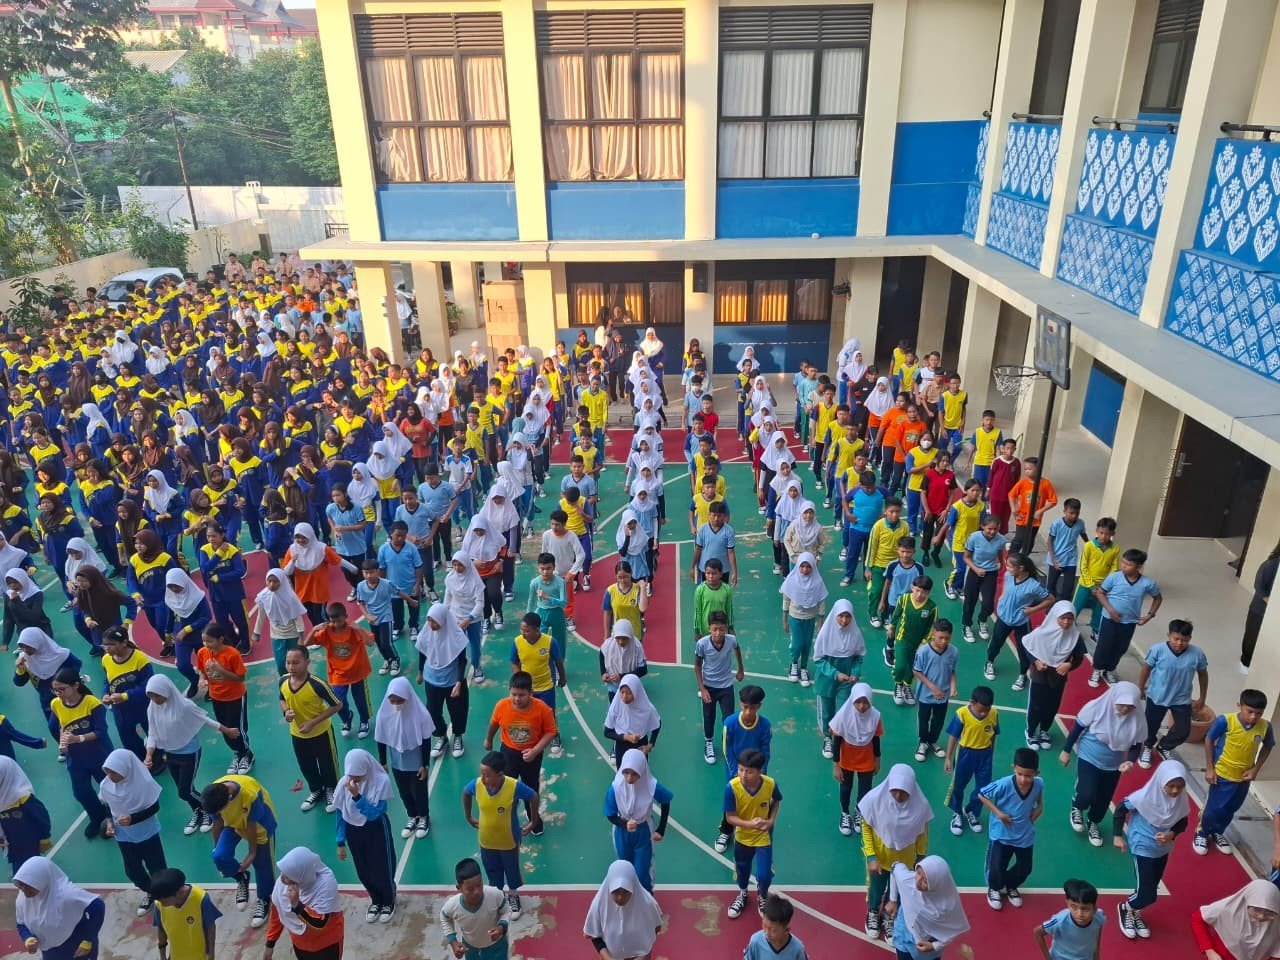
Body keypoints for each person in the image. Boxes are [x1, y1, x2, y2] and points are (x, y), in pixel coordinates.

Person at [143, 674, 235, 835]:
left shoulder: (185, 706)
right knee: (186, 790)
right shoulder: (153, 707)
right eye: (150, 696)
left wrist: (226, 730)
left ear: (166, 691)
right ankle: (199, 811)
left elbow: (204, 720)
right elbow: (152, 733)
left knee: (184, 791)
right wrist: (149, 755)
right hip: (170, 754)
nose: (154, 699)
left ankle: (212, 810)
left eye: (157, 695)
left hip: (189, 753)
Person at [1059, 682, 1146, 848]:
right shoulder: (1096, 707)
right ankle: (1077, 807)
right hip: (1089, 756)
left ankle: (1094, 822)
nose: (1125, 709)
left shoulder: (1138, 719)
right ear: (1114, 698)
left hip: (1114, 765)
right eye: (1122, 704)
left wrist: (1129, 761)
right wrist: (1066, 750)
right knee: (1087, 793)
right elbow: (1078, 727)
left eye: (1130, 706)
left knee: (1103, 799)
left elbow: (1136, 745)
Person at [1113, 760, 1190, 940]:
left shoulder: (1180, 800)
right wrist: (1117, 835)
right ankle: (1126, 908)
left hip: (1162, 849)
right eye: (1171, 786)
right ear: (1161, 781)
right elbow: (1121, 809)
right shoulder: (1143, 797)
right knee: (1148, 894)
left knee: (1150, 885)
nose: (1175, 791)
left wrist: (1171, 834)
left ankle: (1135, 910)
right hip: (1142, 846)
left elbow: (1182, 822)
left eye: (1179, 787)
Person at [1196, 688, 1274, 856]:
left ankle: (1217, 831)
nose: (1253, 717)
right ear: (1239, 706)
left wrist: (1255, 769)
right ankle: (1202, 833)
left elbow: (1268, 747)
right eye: (1249, 711)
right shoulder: (1226, 721)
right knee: (1214, 808)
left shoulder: (1265, 727)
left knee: (1231, 808)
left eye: (1258, 713)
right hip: (1222, 773)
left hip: (1243, 778)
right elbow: (1209, 739)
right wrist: (1210, 768)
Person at [858, 764, 932, 938]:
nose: (898, 796)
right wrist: (871, 856)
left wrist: (921, 857)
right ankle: (873, 911)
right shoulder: (874, 800)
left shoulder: (920, 806)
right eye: (895, 790)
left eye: (904, 792)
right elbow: (866, 827)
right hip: (880, 859)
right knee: (876, 889)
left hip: (905, 862)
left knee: (899, 892)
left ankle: (889, 915)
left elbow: (922, 833)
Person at [463, 751, 537, 920]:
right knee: (492, 872)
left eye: (487, 775)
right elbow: (466, 793)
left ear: (500, 774)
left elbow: (533, 796)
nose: (483, 779)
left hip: (508, 840)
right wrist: (468, 817)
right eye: (481, 773)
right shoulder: (477, 785)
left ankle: (513, 896)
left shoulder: (513, 786)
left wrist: (534, 821)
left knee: (511, 871)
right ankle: (497, 898)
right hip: (486, 840)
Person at [201, 774, 278, 927]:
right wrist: (218, 848)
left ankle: (264, 899)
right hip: (232, 824)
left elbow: (251, 825)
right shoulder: (213, 795)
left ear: (229, 799)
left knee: (262, 865)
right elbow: (218, 823)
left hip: (260, 826)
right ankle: (241, 877)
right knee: (219, 856)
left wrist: (251, 853)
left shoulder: (250, 794)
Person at [482, 672, 554, 837]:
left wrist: (535, 750)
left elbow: (550, 731)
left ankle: (533, 819)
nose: (517, 699)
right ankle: (506, 819)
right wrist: (488, 739)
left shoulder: (542, 709)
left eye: (521, 695)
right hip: (508, 752)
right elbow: (494, 723)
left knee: (531, 788)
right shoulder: (502, 706)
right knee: (505, 787)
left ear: (531, 693)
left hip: (531, 755)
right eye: (513, 694)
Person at [99, 748, 168, 916]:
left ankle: (166, 895)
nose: (110, 776)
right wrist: (110, 822)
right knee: (133, 871)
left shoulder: (144, 783)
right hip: (123, 835)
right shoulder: (106, 785)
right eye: (108, 772)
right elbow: (107, 805)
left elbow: (154, 807)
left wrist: (133, 819)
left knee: (157, 868)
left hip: (147, 833)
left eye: (114, 772)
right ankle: (152, 892)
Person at [335, 749, 397, 924]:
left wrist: (357, 797)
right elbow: (340, 813)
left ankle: (388, 901)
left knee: (382, 867)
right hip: (354, 831)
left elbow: (374, 814)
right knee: (363, 869)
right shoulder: (344, 783)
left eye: (358, 776)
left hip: (376, 829)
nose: (353, 780)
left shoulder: (381, 782)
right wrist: (340, 841)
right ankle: (375, 900)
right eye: (351, 775)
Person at [978, 747, 1043, 912]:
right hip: (1002, 834)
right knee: (996, 867)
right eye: (1020, 774)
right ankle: (994, 888)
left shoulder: (1039, 783)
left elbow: (1038, 797)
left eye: (1028, 775)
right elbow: (982, 794)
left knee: (1025, 868)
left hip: (1024, 834)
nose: (1023, 779)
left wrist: (1039, 807)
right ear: (1013, 768)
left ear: (1036, 773)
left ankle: (1010, 885)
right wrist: (999, 814)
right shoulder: (1004, 784)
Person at [50, 669, 113, 839]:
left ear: (76, 685)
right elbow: (58, 726)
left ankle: (112, 816)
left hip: (99, 754)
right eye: (55, 690)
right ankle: (97, 816)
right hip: (76, 758)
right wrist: (63, 743)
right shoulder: (56, 704)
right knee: (81, 792)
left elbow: (101, 732)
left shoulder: (92, 703)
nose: (58, 693)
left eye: (62, 689)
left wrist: (78, 739)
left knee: (109, 789)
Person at [279, 645, 341, 815]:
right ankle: (316, 790)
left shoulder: (317, 684)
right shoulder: (283, 681)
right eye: (288, 662)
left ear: (307, 662)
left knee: (328, 764)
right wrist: (286, 711)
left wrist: (313, 723)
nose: (291, 667)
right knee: (306, 765)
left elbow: (337, 705)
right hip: (297, 734)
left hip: (321, 732)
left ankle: (331, 790)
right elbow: (282, 698)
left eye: (296, 662)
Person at [1138, 618, 1209, 768]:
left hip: (1181, 699)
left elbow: (1203, 675)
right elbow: (1146, 668)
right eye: (1176, 639)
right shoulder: (1157, 650)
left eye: (1184, 640)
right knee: (1150, 726)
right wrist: (1140, 687)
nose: (1179, 643)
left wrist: (1202, 697)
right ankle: (1147, 746)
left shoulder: (1197, 654)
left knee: (1183, 730)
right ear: (1168, 635)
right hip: (1157, 696)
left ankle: (1164, 746)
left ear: (1190, 638)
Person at [1089, 548, 1162, 687]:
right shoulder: (1114, 577)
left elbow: (1158, 598)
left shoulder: (1147, 583)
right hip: (1109, 619)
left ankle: (1110, 669)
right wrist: (1111, 610)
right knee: (1104, 645)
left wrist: (1149, 616)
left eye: (1129, 564)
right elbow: (1100, 593)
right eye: (1123, 562)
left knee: (1120, 648)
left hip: (1129, 622)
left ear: (1138, 566)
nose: (1124, 566)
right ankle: (1097, 669)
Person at [1021, 601, 1087, 751]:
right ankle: (1030, 732)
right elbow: (1027, 646)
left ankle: (1044, 730)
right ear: (1055, 616)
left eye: (1070, 618)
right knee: (1036, 705)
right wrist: (1036, 662)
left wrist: (1069, 665)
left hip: (1058, 678)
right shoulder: (1041, 633)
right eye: (1063, 618)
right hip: (1039, 675)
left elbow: (1079, 658)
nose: (1066, 622)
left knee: (1052, 706)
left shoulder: (1075, 636)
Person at [605, 748, 672, 894]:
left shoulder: (651, 785)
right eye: (626, 772)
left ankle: (647, 899)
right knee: (625, 868)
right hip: (621, 833)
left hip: (643, 831)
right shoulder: (615, 788)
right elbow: (610, 814)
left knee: (643, 872)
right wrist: (624, 824)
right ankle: (629, 899)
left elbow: (666, 800)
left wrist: (661, 829)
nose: (629, 778)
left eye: (634, 774)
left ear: (642, 771)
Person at [724, 748, 781, 920]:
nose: (743, 775)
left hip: (763, 836)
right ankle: (743, 894)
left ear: (760, 770)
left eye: (749, 771)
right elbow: (730, 817)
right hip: (742, 836)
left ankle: (762, 896)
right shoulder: (732, 788)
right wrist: (749, 824)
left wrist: (771, 821)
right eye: (741, 769)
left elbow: (776, 801)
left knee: (764, 875)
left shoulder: (770, 784)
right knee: (742, 870)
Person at [306, 603, 376, 738]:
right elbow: (305, 644)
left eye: (339, 620)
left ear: (346, 617)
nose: (336, 624)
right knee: (337, 701)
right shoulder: (327, 632)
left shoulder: (353, 630)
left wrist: (359, 629)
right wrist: (314, 629)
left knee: (360, 699)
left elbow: (370, 642)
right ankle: (347, 718)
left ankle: (364, 721)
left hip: (357, 672)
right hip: (338, 674)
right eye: (333, 621)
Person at [13, 857, 106, 960]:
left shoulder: (67, 895)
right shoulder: (22, 899)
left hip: (77, 948)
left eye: (30, 887)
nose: (25, 892)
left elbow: (98, 907)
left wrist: (88, 939)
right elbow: (21, 924)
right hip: (51, 951)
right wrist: (28, 938)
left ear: (43, 881)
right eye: (21, 886)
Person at [717, 685, 772, 852]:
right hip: (735, 773)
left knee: (755, 802)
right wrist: (736, 772)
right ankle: (726, 830)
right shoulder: (730, 723)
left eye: (753, 708)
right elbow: (727, 749)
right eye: (745, 707)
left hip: (757, 773)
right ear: (741, 704)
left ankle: (755, 832)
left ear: (759, 706)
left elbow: (765, 751)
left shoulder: (765, 725)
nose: (748, 711)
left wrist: (760, 772)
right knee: (732, 801)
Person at [985, 553, 1052, 691]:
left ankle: (1022, 675)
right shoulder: (1008, 575)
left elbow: (1050, 599)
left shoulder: (1034, 585)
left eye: (1010, 566)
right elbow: (1006, 586)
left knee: (1024, 650)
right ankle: (989, 662)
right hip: (1004, 618)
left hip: (1021, 621)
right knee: (996, 643)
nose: (1007, 568)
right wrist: (1002, 596)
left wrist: (1033, 609)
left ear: (1021, 568)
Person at [264, 847, 345, 960]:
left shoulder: (325, 884)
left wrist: (297, 905)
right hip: (300, 944)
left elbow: (320, 922)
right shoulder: (285, 882)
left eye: (288, 877)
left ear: (301, 875)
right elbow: (278, 912)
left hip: (328, 944)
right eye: (283, 872)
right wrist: (270, 943)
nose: (282, 879)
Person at [415, 601, 470, 760]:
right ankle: (441, 736)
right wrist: (420, 672)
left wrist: (459, 683)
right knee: (432, 712)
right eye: (429, 620)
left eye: (434, 621)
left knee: (458, 711)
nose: (431, 624)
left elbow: (462, 661)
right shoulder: (426, 633)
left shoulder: (456, 635)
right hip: (432, 679)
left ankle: (458, 736)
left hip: (452, 681)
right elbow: (422, 652)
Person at [884, 856, 969, 958]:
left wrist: (934, 946)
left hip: (928, 944)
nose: (917, 881)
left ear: (936, 884)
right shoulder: (908, 881)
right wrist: (893, 900)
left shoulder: (948, 905)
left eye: (925, 881)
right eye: (918, 873)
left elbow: (951, 933)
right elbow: (895, 867)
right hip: (903, 932)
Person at [196, 624, 253, 774]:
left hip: (235, 697)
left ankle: (246, 754)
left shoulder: (232, 654)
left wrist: (220, 670)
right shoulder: (202, 652)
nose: (206, 644)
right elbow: (202, 670)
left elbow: (240, 678)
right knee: (225, 728)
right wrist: (202, 679)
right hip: (217, 697)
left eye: (210, 641)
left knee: (237, 728)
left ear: (220, 639)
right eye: (204, 641)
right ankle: (237, 752)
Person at [812, 599, 864, 759]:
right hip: (826, 681)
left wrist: (855, 673)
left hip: (846, 682)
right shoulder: (825, 634)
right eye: (841, 616)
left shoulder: (855, 634)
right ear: (835, 615)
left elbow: (858, 657)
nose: (844, 620)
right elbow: (818, 659)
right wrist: (835, 674)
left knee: (843, 711)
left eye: (848, 616)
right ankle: (828, 738)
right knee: (827, 712)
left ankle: (839, 739)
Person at [943, 685, 998, 835]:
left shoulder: (993, 713)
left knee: (983, 788)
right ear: (971, 702)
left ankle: (971, 811)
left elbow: (993, 734)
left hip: (985, 755)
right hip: (965, 754)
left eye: (987, 709)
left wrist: (991, 752)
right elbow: (953, 736)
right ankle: (957, 813)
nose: (984, 713)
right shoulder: (962, 714)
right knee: (958, 786)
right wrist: (948, 757)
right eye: (981, 710)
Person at [829, 683, 882, 837]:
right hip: (847, 759)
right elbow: (836, 741)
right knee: (846, 788)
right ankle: (845, 813)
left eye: (865, 702)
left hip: (866, 759)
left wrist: (877, 759)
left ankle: (859, 812)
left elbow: (876, 739)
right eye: (858, 702)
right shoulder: (843, 716)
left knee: (865, 790)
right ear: (852, 700)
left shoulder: (875, 717)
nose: (861, 706)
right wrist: (836, 765)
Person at [582, 860, 664, 960]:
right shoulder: (598, 905)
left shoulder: (648, 905)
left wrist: (643, 956)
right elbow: (595, 935)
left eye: (626, 892)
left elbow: (653, 932)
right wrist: (608, 958)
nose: (620, 897)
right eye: (615, 892)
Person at [510, 612, 566, 758]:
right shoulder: (517, 642)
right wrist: (519, 679)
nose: (523, 633)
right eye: (522, 629)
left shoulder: (550, 642)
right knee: (526, 712)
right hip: (527, 689)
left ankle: (554, 735)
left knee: (549, 713)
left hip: (546, 686)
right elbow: (514, 662)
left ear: (537, 629)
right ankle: (531, 736)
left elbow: (558, 661)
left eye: (526, 630)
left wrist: (562, 677)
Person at [13, 628, 82, 737]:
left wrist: (67, 680)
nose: (25, 650)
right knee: (54, 728)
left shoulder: (61, 655)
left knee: (77, 725)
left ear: (38, 643)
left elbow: (77, 664)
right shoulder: (25, 660)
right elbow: (19, 682)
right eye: (22, 646)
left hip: (70, 699)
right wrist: (20, 669)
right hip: (49, 703)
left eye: (28, 646)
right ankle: (64, 746)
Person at [695, 611, 744, 764]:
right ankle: (708, 742)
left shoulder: (731, 640)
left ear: (726, 629)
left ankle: (727, 744)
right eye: (715, 629)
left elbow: (737, 649)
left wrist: (741, 669)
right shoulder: (702, 644)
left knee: (728, 718)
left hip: (726, 686)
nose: (718, 633)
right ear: (709, 628)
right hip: (709, 686)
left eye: (721, 629)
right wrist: (702, 688)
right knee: (709, 716)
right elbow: (697, 666)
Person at [1191, 879, 1280, 960]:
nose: (1261, 916)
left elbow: (1276, 952)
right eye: (1257, 909)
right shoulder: (1227, 910)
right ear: (1247, 900)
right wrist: (1209, 951)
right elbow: (1197, 919)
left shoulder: (1275, 926)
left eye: (1269, 913)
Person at [440, 857, 510, 959]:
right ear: (459, 888)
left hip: (497, 947)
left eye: (479, 885)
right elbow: (444, 917)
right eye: (470, 889)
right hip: (471, 949)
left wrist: (501, 927)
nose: (477, 892)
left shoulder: (495, 894)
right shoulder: (453, 905)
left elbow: (506, 910)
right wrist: (453, 941)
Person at [149, 867, 222, 960]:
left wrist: (211, 955)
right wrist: (163, 956)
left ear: (178, 892)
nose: (162, 904)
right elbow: (161, 929)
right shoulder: (159, 904)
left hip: (200, 956)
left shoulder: (201, 899)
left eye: (164, 901)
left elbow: (210, 927)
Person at [912, 620, 958, 762]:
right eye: (941, 637)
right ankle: (922, 743)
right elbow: (917, 671)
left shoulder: (953, 651)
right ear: (933, 634)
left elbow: (952, 671)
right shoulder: (923, 651)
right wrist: (933, 688)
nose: (944, 641)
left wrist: (953, 686)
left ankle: (932, 741)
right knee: (924, 719)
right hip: (926, 695)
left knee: (938, 720)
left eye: (947, 638)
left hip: (943, 695)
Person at [780, 552, 827, 686]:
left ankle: (804, 667)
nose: (805, 570)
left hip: (810, 618)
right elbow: (786, 600)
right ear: (798, 566)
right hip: (795, 617)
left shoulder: (817, 582)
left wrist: (820, 623)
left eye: (808, 567)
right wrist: (784, 620)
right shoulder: (792, 580)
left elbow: (821, 602)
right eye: (802, 566)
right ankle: (794, 664)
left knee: (807, 644)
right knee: (797, 643)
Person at [0, 756, 52, 874]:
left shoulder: (23, 797)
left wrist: (44, 838)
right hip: (13, 845)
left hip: (29, 843)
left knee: (26, 873)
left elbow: (41, 817)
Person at [254, 568, 309, 677]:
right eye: (269, 581)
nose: (271, 584)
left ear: (282, 582)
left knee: (296, 661)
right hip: (277, 635)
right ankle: (285, 681)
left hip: (292, 634)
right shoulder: (263, 597)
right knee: (280, 663)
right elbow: (261, 615)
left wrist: (301, 637)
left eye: (275, 581)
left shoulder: (290, 597)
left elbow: (297, 617)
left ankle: (299, 679)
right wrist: (257, 632)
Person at [1033, 878, 1104, 960]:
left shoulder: (1098, 916)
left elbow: (1098, 929)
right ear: (1067, 903)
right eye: (1074, 907)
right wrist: (1047, 958)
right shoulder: (1060, 920)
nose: (1079, 914)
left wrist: (1096, 955)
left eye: (1085, 909)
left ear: (1094, 909)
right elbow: (1038, 932)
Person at [604, 674, 662, 769]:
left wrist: (650, 746)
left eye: (629, 693)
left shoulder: (648, 708)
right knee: (623, 773)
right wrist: (626, 737)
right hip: (622, 746)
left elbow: (657, 724)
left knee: (640, 772)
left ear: (636, 691)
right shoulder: (616, 706)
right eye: (622, 692)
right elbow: (607, 732)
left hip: (640, 746)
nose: (624, 696)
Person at [1007, 456, 1057, 556]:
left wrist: (1040, 511)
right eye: (1025, 469)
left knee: (1029, 541)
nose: (1026, 471)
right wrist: (1013, 508)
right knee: (1019, 539)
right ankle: (1011, 557)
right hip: (1022, 517)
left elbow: (1053, 501)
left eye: (1029, 469)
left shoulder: (1045, 484)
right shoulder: (1023, 482)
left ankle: (1024, 558)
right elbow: (1011, 495)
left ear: (1038, 469)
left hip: (1035, 520)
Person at [1242, 542, 1279, 672]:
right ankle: (1245, 663)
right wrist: (1272, 604)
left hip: (1274, 614)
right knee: (1252, 637)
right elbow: (1259, 586)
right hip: (1260, 610)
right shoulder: (1271, 564)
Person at [1045, 498, 1086, 600]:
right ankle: (1050, 604)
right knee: (1051, 586)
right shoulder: (1056, 524)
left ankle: (1064, 605)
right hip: (1056, 559)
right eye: (1071, 513)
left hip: (1071, 559)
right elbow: (1049, 541)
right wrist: (1053, 559)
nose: (1074, 516)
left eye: (1077, 513)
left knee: (1068, 587)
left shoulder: (1080, 523)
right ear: (1064, 511)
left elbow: (1085, 537)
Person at [745, 894, 809, 960]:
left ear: (787, 930)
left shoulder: (798, 949)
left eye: (772, 930)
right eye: (764, 925)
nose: (766, 933)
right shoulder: (755, 942)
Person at [599, 619, 647, 700]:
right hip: (613, 686)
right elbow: (602, 654)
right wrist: (603, 673)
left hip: (630, 687)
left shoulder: (637, 646)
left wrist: (622, 676)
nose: (621, 642)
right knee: (614, 705)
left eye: (624, 638)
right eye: (618, 638)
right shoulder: (608, 645)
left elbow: (643, 670)